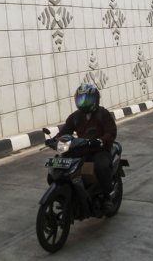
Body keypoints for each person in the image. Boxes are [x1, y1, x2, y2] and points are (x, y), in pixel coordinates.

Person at [53, 83, 117, 212]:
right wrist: (54, 141)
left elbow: (111, 132)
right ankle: (65, 194)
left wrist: (100, 141)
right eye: (81, 99)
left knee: (101, 166)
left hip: (99, 149)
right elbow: (64, 132)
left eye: (87, 99)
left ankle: (106, 197)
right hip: (82, 149)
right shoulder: (75, 117)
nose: (84, 103)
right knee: (60, 164)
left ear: (95, 99)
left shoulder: (103, 114)